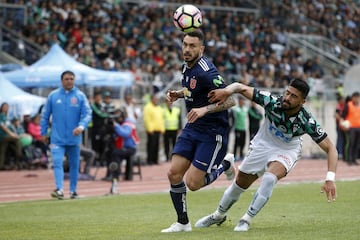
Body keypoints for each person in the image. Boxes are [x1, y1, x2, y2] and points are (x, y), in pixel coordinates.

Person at [195, 78, 338, 232]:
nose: (287, 98)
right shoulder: (271, 101)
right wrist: (227, 91)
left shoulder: (306, 121)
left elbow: (331, 148)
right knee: (239, 184)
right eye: (287, 93)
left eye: (294, 96)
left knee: (269, 178)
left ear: (303, 101)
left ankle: (246, 219)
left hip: (287, 150)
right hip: (262, 145)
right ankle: (218, 215)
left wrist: (330, 178)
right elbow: (241, 87)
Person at [161, 30, 236, 233]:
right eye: (185, 44)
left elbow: (231, 99)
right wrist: (179, 94)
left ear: (201, 49)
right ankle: (183, 223)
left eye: (192, 46)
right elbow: (192, 90)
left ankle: (226, 164)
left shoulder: (207, 72)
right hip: (193, 127)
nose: (187, 49)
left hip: (213, 131)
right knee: (173, 173)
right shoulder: (186, 67)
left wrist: (204, 109)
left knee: (193, 183)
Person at [40, 70, 92, 200]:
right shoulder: (53, 96)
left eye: (71, 79)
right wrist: (44, 132)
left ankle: (73, 191)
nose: (69, 81)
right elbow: (45, 115)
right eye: (67, 79)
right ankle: (59, 189)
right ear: (61, 81)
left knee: (74, 165)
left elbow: (87, 114)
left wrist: (81, 126)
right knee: (57, 162)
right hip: (57, 138)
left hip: (74, 138)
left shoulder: (80, 96)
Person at [108, 108, 139, 194]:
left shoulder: (128, 123)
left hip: (130, 148)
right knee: (113, 153)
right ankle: (114, 173)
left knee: (116, 153)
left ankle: (116, 175)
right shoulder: (121, 123)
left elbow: (125, 134)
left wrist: (116, 126)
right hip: (124, 148)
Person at [143, 94, 165, 165]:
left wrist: (162, 128)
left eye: (157, 99)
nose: (156, 101)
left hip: (158, 129)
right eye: (155, 99)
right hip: (151, 130)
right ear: (151, 99)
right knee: (151, 146)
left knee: (156, 146)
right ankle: (150, 160)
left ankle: (155, 160)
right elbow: (147, 119)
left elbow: (161, 119)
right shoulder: (148, 107)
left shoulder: (158, 108)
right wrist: (150, 129)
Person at [0, 102, 23, 170]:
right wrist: (12, 134)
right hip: (3, 135)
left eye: (7, 107)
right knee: (17, 140)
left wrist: (15, 133)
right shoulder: (1, 116)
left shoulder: (6, 117)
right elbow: (3, 127)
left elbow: (10, 127)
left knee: (3, 150)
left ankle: (2, 165)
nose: (6, 108)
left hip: (7, 137)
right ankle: (19, 157)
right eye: (4, 107)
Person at [341, 91, 360, 166]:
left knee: (357, 144)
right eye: (355, 97)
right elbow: (343, 116)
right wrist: (343, 125)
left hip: (359, 127)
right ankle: (349, 159)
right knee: (351, 143)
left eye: (358, 97)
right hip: (351, 128)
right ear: (352, 98)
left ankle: (354, 159)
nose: (357, 99)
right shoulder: (348, 105)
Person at [90, 91, 108, 162]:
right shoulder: (93, 106)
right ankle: (94, 160)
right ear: (94, 98)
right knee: (95, 145)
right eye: (97, 97)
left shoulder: (102, 106)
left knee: (102, 144)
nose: (99, 99)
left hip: (102, 129)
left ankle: (101, 160)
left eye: (100, 97)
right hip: (95, 129)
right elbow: (101, 114)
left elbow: (105, 113)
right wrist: (107, 115)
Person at [231, 96, 248, 161]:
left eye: (243, 101)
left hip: (243, 128)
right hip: (237, 128)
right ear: (239, 101)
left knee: (242, 143)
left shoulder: (245, 109)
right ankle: (234, 156)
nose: (242, 102)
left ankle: (241, 155)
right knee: (237, 143)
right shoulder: (236, 109)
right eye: (241, 101)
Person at [334, 95, 346, 160]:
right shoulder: (338, 107)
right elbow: (336, 115)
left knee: (343, 140)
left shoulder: (344, 106)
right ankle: (339, 153)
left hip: (344, 126)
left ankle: (342, 153)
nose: (344, 101)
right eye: (342, 100)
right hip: (339, 126)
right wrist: (341, 120)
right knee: (340, 139)